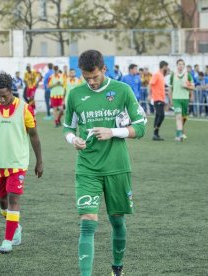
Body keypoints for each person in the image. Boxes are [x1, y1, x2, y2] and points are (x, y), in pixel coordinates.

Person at [63, 50, 146, 276]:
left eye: (95, 77)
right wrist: (73, 139)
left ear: (104, 69)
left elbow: (140, 127)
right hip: (87, 168)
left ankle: (117, 268)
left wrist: (113, 132)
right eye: (86, 78)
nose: (90, 82)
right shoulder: (75, 95)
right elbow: (68, 127)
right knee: (88, 222)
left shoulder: (122, 90)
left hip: (117, 167)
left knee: (117, 221)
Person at [0, 72, 43, 253]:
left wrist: (39, 161)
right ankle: (15, 227)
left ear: (11, 90)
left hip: (18, 163)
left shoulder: (25, 108)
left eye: (4, 95)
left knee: (13, 198)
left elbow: (34, 136)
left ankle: (8, 240)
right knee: (2, 202)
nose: (2, 99)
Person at [170, 59, 194, 141]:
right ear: (177, 65)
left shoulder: (188, 75)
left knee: (184, 118)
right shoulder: (173, 75)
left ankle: (178, 131)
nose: (181, 66)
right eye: (179, 64)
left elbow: (193, 87)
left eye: (183, 64)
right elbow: (170, 88)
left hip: (185, 99)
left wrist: (186, 87)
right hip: (176, 99)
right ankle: (180, 135)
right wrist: (170, 100)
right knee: (179, 117)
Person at [149, 60, 168, 141]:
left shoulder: (161, 75)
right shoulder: (156, 74)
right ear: (164, 66)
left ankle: (155, 134)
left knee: (158, 115)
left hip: (161, 98)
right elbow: (150, 84)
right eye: (167, 66)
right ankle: (155, 133)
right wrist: (149, 95)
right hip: (157, 98)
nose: (167, 68)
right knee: (161, 115)